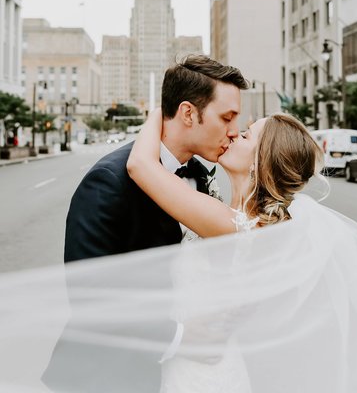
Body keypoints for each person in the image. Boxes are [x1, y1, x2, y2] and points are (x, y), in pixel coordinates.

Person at [126, 110, 357, 392]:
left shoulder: (237, 227)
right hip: (208, 363)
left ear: (260, 161)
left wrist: (166, 106)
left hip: (207, 373)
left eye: (246, 135)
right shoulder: (241, 219)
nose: (234, 134)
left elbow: (140, 165)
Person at [42, 55, 248, 393]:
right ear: (187, 113)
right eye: (226, 117)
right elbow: (89, 297)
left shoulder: (197, 173)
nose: (234, 131)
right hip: (107, 378)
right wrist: (181, 336)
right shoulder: (108, 181)